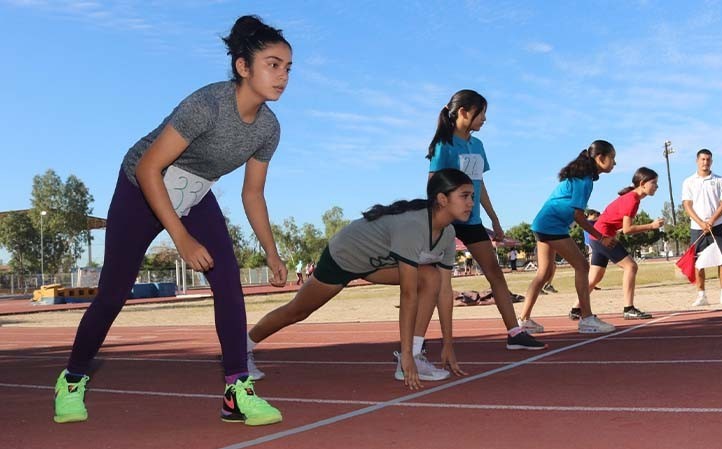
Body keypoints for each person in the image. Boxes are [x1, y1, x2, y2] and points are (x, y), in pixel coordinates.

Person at [53, 16, 290, 426]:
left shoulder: (268, 129)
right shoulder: (207, 105)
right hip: (141, 186)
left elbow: (252, 193)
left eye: (288, 67)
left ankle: (237, 391)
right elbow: (149, 169)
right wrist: (180, 238)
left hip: (195, 192)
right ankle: (72, 379)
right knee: (112, 294)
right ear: (243, 67)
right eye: (272, 64)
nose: (283, 75)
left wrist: (272, 253)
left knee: (228, 281)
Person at [246, 169, 474, 389]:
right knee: (297, 310)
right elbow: (408, 294)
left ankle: (415, 353)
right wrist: (404, 356)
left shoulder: (447, 234)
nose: (471, 203)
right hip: (344, 257)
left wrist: (448, 344)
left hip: (375, 265)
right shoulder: (413, 226)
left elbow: (444, 291)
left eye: (472, 196)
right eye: (464, 196)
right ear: (442, 199)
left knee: (431, 277)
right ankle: (241, 349)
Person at [423, 89, 545, 351]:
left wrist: (494, 218)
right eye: (482, 113)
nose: (485, 120)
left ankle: (515, 333)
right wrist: (438, 222)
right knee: (434, 282)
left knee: (496, 274)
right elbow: (432, 186)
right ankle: (417, 343)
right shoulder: (444, 145)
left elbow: (479, 185)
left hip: (472, 220)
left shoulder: (478, 146)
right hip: (445, 221)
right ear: (464, 112)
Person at [518, 140, 618, 335]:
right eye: (612, 158)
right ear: (600, 158)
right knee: (582, 266)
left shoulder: (581, 177)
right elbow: (578, 215)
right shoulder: (584, 179)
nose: (615, 163)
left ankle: (524, 320)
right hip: (552, 225)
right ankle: (587, 318)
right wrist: (600, 237)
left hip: (544, 223)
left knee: (545, 272)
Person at [569, 167, 665, 322]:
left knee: (595, 277)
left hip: (598, 236)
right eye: (654, 183)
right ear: (643, 183)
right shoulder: (632, 199)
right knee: (631, 266)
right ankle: (629, 308)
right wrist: (651, 226)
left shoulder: (631, 198)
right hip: (602, 237)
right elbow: (627, 230)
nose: (656, 186)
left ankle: (576, 309)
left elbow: (617, 223)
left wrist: (615, 229)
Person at [682, 148, 722, 306]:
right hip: (697, 228)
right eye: (702, 159)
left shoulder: (719, 180)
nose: (705, 162)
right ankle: (701, 295)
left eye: (708, 159)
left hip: (716, 226)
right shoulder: (689, 181)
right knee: (698, 263)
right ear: (697, 161)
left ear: (711, 161)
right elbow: (687, 205)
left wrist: (711, 220)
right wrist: (700, 223)